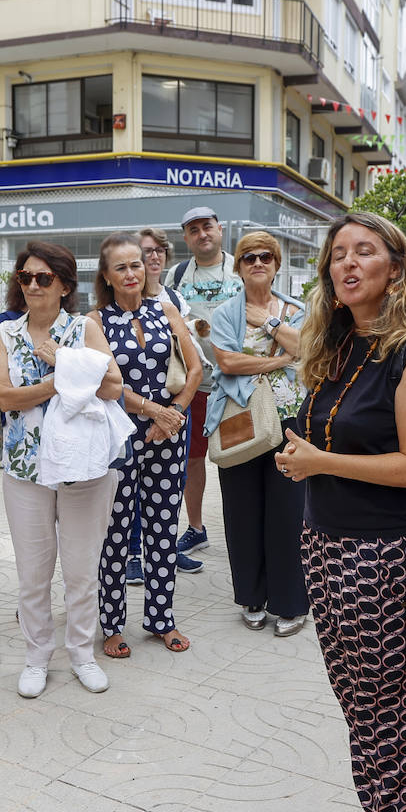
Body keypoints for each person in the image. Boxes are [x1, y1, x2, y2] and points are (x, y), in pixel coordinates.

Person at [274, 211, 406, 812]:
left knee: (393, 708)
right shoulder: (336, 344)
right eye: (338, 254)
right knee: (357, 700)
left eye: (365, 252)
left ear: (396, 269)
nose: (347, 263)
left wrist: (320, 462)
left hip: (386, 554)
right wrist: (303, 454)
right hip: (325, 541)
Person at [0, 241, 123, 698]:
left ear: (65, 285)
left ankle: (82, 653)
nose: (31, 284)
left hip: (84, 468)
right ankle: (36, 656)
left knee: (83, 570)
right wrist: (62, 378)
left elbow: (113, 387)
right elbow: (6, 398)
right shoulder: (6, 333)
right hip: (24, 468)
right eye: (24, 277)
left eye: (43, 277)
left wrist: (61, 362)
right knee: (33, 572)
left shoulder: (84, 328)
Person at [92, 232, 202, 658]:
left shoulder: (166, 309)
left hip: (169, 435)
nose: (132, 272)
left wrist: (170, 416)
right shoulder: (96, 321)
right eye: (121, 267)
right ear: (107, 275)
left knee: (162, 527)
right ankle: (112, 624)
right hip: (121, 437)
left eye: (136, 263)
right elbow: (103, 385)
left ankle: (161, 619)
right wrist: (153, 413)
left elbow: (194, 369)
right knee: (117, 532)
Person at [207, 232, 309, 636]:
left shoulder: (296, 309)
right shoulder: (225, 312)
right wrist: (278, 360)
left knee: (288, 515)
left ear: (277, 262)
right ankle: (251, 596)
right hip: (240, 420)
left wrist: (269, 322)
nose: (257, 262)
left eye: (266, 256)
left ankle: (290, 602)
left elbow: (305, 348)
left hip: (288, 422)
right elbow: (227, 362)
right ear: (239, 266)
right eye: (248, 257)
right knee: (242, 511)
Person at [164, 206, 242, 558]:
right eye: (193, 229)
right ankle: (196, 529)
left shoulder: (241, 267)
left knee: (241, 455)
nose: (201, 234)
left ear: (220, 229)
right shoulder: (177, 275)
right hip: (194, 384)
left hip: (237, 383)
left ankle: (245, 529)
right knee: (192, 459)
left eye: (207, 226)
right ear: (186, 237)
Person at [127, 226, 201, 584]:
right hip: (136, 412)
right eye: (145, 251)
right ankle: (132, 556)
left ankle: (166, 551)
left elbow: (193, 361)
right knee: (133, 489)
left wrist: (176, 411)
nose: (152, 256)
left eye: (158, 250)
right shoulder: (122, 306)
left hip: (176, 405)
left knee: (170, 487)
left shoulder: (173, 299)